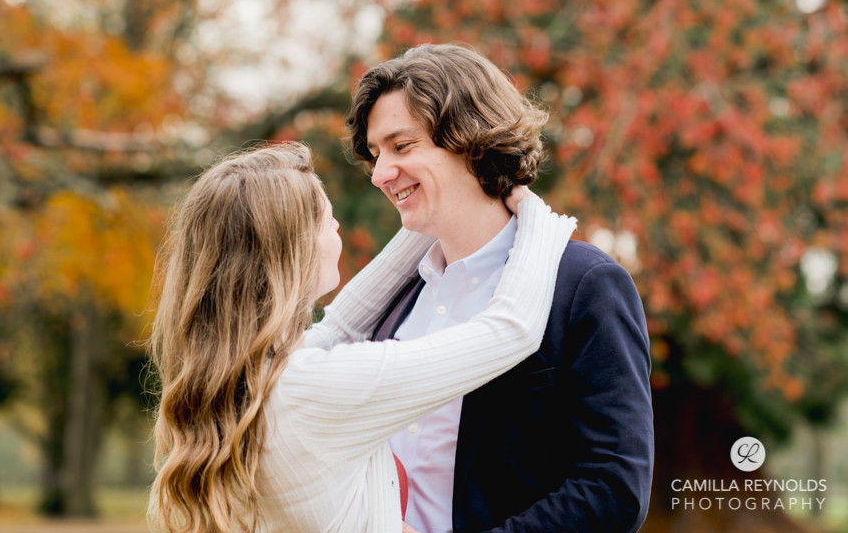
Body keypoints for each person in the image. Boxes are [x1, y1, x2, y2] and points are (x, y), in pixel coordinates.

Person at [146, 142, 577, 533]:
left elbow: (339, 327)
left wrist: (439, 204)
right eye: (325, 220)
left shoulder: (246, 380)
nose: (336, 228)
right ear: (291, 251)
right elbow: (510, 331)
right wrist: (540, 221)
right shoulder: (314, 388)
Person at [345, 43, 654, 533]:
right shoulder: (394, 302)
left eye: (402, 147)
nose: (381, 174)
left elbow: (613, 489)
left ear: (473, 139)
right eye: (376, 154)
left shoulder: (584, 285)